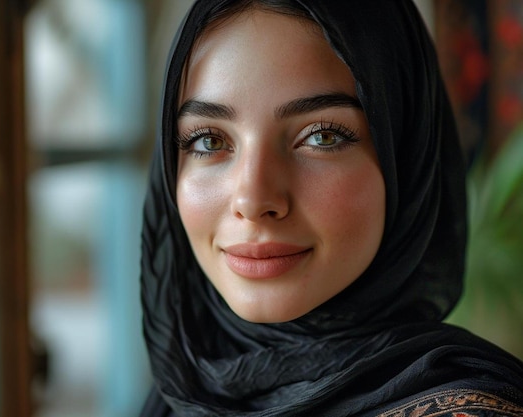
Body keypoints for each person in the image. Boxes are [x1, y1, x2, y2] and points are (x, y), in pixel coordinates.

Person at [139, 1, 523, 415]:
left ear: (406, 156)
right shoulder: (182, 394)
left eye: (322, 136)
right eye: (209, 141)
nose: (252, 200)